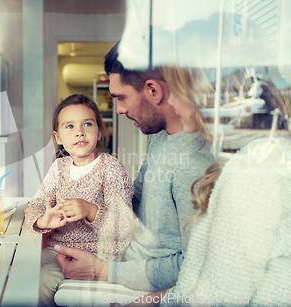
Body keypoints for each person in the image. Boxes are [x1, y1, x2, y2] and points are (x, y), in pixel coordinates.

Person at [120, 65, 291, 306]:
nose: (173, 102)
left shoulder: (252, 174)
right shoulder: (260, 157)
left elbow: (218, 298)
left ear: (205, 97)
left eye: (177, 91)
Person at [54, 44, 215, 293]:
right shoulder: (161, 136)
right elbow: (133, 204)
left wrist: (99, 271)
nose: (118, 109)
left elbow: (197, 268)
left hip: (134, 278)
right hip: (118, 252)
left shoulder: (193, 163)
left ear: (152, 90)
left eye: (121, 97)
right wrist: (87, 207)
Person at [24, 94, 135, 306]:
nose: (79, 132)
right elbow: (34, 206)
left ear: (100, 131)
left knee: (41, 283)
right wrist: (42, 221)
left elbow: (124, 225)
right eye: (69, 127)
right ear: (58, 137)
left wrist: (91, 211)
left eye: (87, 124)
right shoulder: (58, 168)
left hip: (100, 253)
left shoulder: (110, 168)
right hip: (59, 248)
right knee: (22, 271)